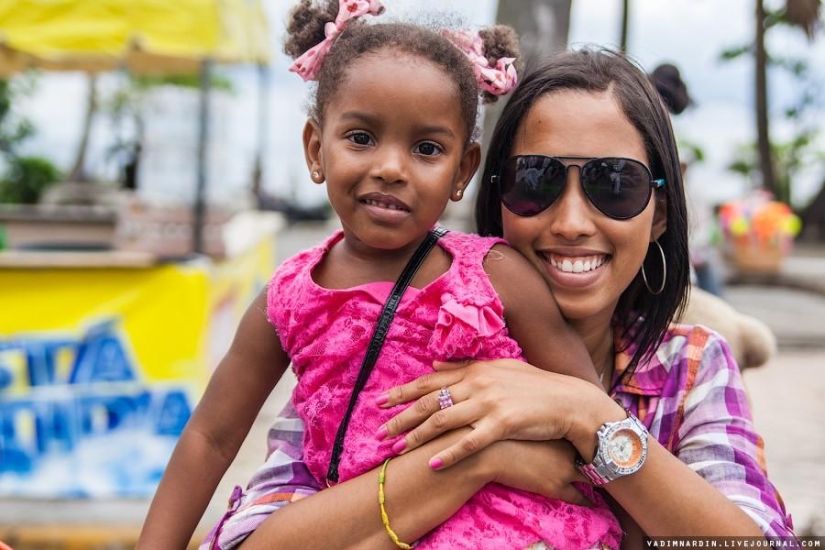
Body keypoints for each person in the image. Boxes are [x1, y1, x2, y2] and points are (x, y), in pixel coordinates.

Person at [201, 46, 796, 550]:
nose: (570, 222)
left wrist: (587, 415)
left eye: (614, 185)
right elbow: (254, 537)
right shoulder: (386, 344)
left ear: (661, 211)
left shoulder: (688, 371)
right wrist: (480, 460)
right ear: (491, 191)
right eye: (534, 180)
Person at [138, 1, 626, 548]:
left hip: (495, 519)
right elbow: (211, 436)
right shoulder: (289, 296)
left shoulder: (494, 275)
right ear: (316, 149)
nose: (391, 168)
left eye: (426, 148)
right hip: (344, 520)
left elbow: (587, 406)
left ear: (462, 170)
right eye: (362, 138)